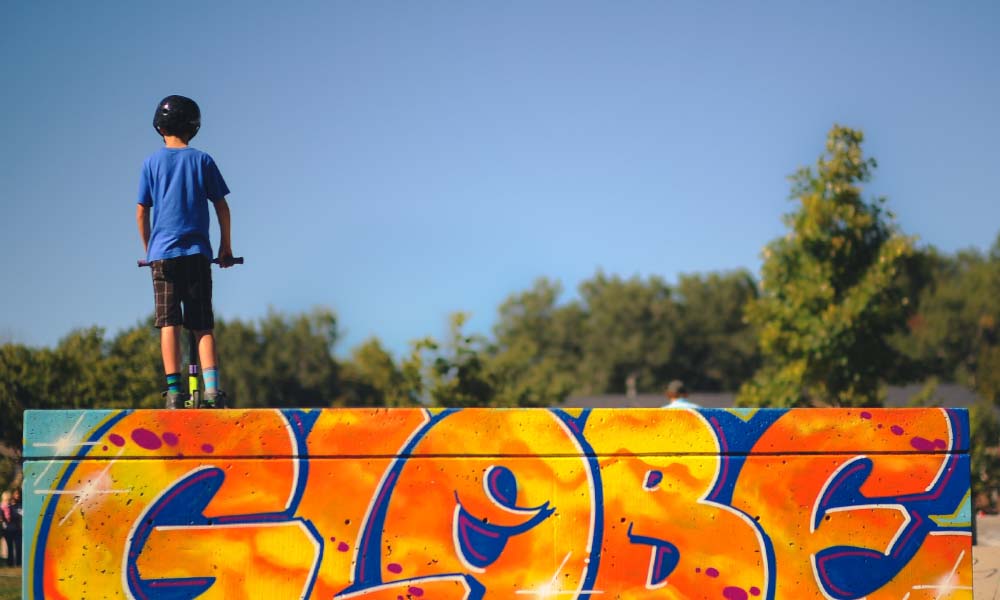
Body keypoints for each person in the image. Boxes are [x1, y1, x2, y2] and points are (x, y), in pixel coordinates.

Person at [137, 95, 235, 409]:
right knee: (202, 324)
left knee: (169, 323)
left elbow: (141, 212)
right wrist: (225, 247)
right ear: (193, 127)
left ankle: (174, 393)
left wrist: (149, 249)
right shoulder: (203, 160)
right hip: (196, 254)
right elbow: (221, 206)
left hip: (162, 256)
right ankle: (212, 392)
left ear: (159, 126)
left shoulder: (150, 163)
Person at [1, 489, 21, 567]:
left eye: (9, 500)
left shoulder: (12, 507)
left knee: (17, 546)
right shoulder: (2, 507)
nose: (8, 501)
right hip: (8, 530)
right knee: (10, 547)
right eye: (7, 500)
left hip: (15, 529)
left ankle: (18, 563)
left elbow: (16, 517)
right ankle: (10, 563)